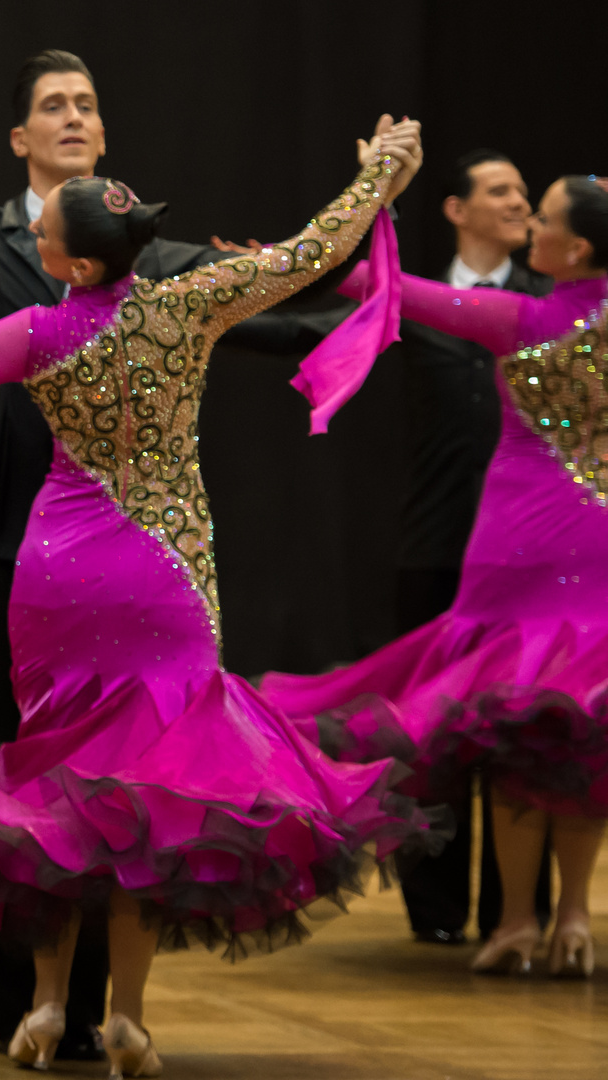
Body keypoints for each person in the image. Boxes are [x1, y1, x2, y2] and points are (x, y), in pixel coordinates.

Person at [0, 123, 433, 1077]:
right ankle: (129, 1017)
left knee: (57, 786)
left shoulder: (36, 330)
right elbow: (319, 248)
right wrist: (381, 173)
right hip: (167, 578)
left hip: (59, 576)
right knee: (149, 790)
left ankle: (53, 1001)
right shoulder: (192, 304)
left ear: (60, 258)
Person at [261, 174, 608, 978]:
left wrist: (307, 248)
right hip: (593, 544)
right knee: (580, 737)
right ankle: (573, 918)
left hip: (517, 544)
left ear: (576, 249)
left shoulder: (518, 317)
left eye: (544, 220)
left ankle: (517, 919)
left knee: (523, 733)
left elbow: (390, 290)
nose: (531, 229)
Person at [382, 149, 555, 946]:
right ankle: (436, 911)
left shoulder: (553, 304)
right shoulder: (412, 303)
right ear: (454, 209)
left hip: (529, 562)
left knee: (523, 734)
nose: (519, 201)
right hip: (434, 547)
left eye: (524, 190)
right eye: (500, 189)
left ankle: (516, 911)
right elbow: (304, 329)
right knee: (433, 735)